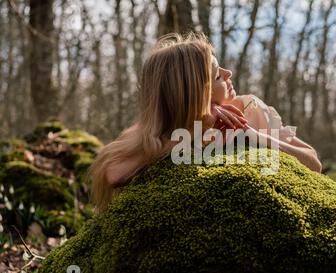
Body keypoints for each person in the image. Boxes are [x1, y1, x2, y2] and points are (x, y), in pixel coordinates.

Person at [89, 32, 321, 214]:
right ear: (194, 93)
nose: (228, 73)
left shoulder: (250, 108)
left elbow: (312, 163)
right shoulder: (162, 128)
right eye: (217, 75)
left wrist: (251, 134)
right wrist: (195, 128)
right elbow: (114, 174)